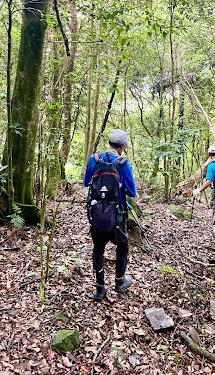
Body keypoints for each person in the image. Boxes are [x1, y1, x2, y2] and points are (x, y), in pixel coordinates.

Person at [83, 129, 137, 302]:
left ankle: (100, 289)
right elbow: (132, 191)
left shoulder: (95, 159)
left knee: (98, 249)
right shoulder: (123, 163)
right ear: (122, 147)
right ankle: (119, 282)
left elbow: (86, 182)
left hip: (97, 214)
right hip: (116, 216)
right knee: (122, 245)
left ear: (109, 143)